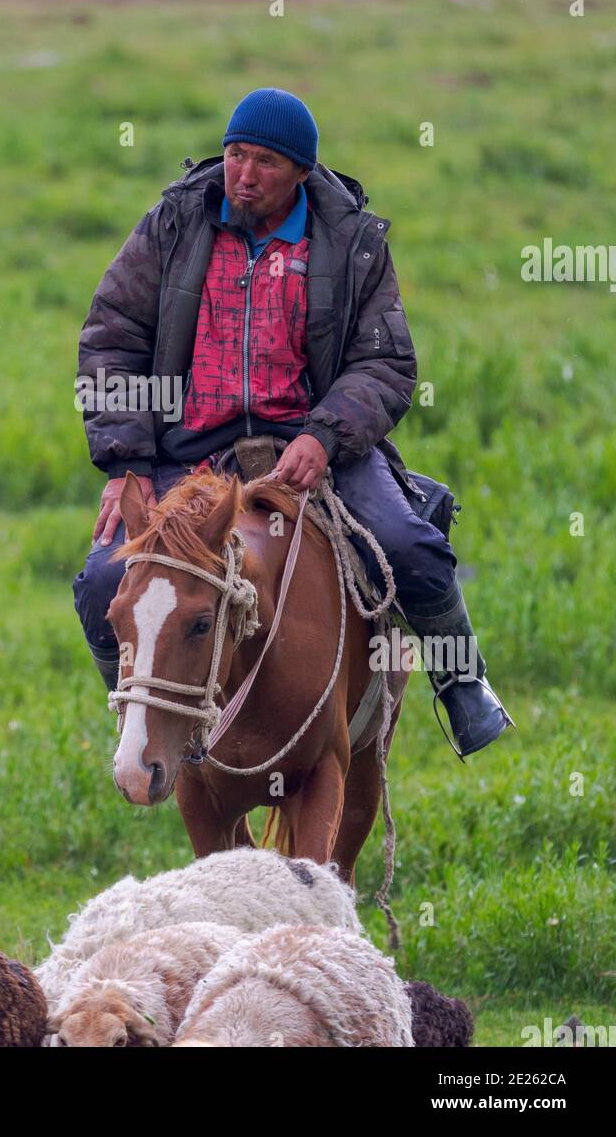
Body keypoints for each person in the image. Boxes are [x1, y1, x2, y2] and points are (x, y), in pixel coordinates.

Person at [73, 87, 513, 757]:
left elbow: (383, 362)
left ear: (302, 173)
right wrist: (126, 461)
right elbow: (111, 337)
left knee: (411, 546)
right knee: (104, 578)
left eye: (265, 163)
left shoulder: (350, 242)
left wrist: (324, 433)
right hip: (189, 452)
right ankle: (139, 721)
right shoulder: (174, 224)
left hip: (308, 446)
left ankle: (463, 684)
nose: (243, 175)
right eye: (234, 154)